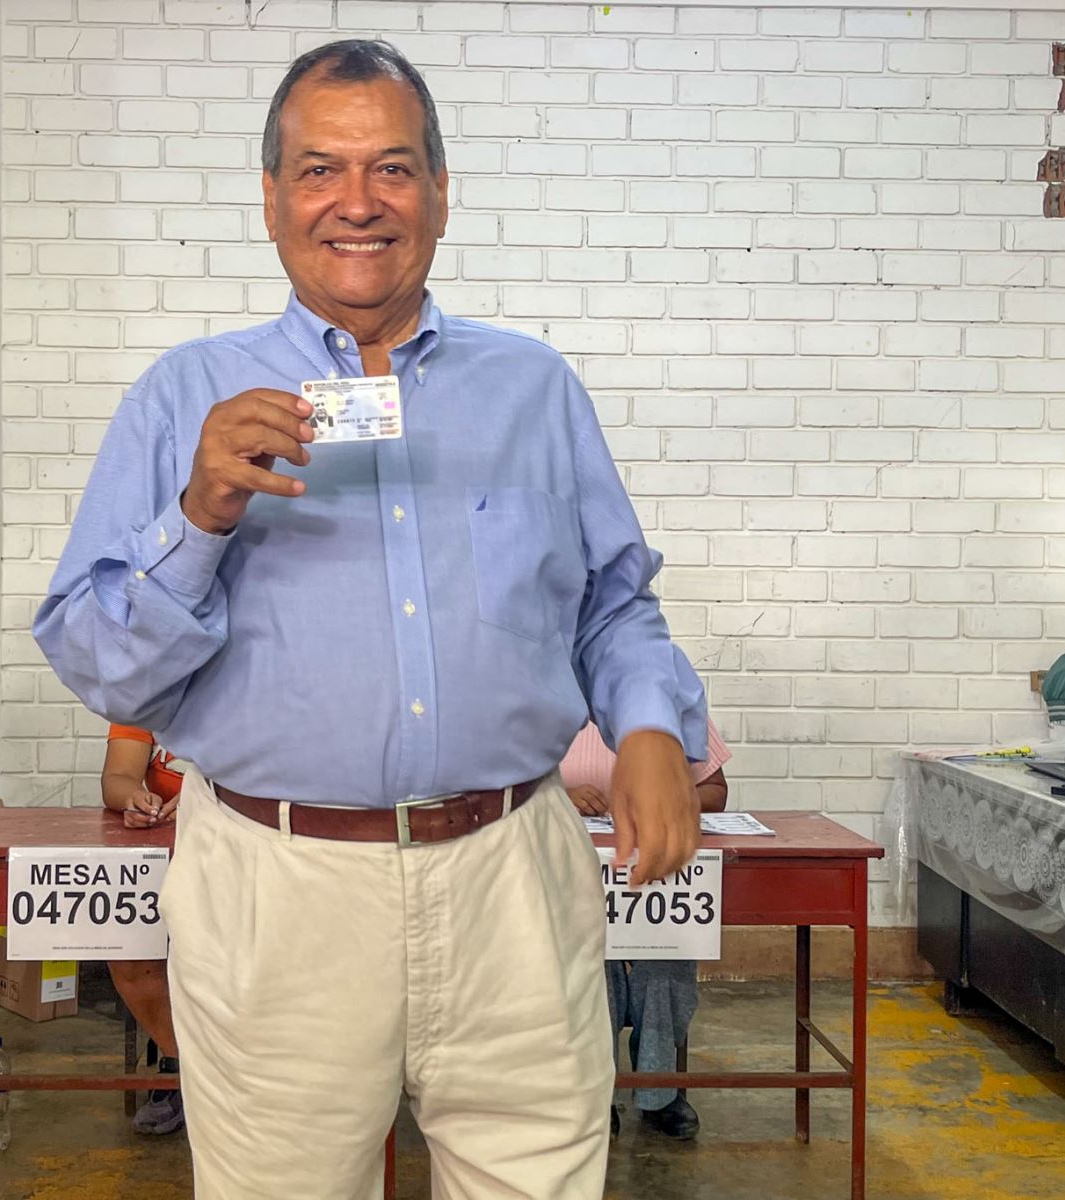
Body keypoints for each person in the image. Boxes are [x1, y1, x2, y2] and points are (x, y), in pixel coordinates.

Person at [35, 39, 709, 1200]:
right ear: (270, 198)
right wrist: (202, 513)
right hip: (277, 889)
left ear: (441, 193)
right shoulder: (182, 399)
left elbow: (612, 605)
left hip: (513, 876)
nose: (357, 202)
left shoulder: (533, 390)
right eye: (319, 170)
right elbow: (105, 671)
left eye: (392, 169)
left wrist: (649, 723)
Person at [562, 720, 731, 1141]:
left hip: (659, 867)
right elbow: (506, 792)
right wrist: (559, 799)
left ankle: (659, 1091)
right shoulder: (548, 698)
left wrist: (663, 799)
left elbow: (716, 791)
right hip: (573, 869)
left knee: (665, 959)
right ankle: (597, 1090)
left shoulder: (664, 699)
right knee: (590, 966)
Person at [100, 724, 184, 1135]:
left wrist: (212, 803)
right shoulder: (145, 691)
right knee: (127, 948)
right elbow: (117, 778)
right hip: (158, 846)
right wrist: (132, 799)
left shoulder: (256, 682)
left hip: (246, 843)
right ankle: (181, 1068)